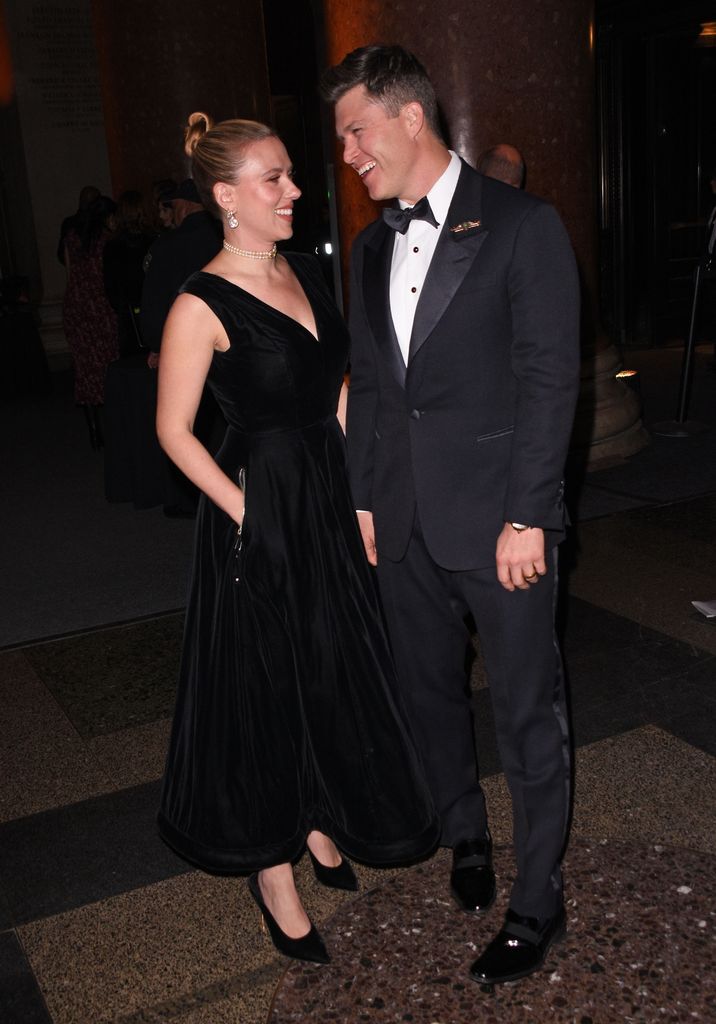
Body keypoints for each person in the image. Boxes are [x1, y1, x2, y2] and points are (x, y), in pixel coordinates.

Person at [321, 44, 580, 986]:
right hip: (402, 522)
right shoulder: (370, 243)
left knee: (527, 713)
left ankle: (538, 898)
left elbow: (552, 383)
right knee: (429, 696)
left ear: (409, 117)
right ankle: (465, 834)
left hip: (501, 527)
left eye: (357, 129)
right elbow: (379, 389)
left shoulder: (522, 226)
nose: (347, 151)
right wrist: (360, 496)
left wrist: (531, 517)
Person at [155, 112, 439, 965]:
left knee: (334, 661)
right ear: (226, 197)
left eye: (288, 174)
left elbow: (336, 390)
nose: (295, 190)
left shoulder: (303, 272)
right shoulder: (198, 302)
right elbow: (174, 433)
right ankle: (272, 870)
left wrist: (363, 496)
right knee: (268, 684)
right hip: (261, 505)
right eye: (273, 179)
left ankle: (318, 814)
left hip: (326, 493)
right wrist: (250, 514)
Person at [62, 194, 120, 448]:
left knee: (84, 367)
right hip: (99, 306)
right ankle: (115, 426)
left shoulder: (71, 238)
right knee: (108, 364)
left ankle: (94, 431)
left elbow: (68, 272)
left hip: (76, 305)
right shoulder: (107, 241)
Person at [102, 190, 156, 355]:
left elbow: (111, 287)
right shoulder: (155, 242)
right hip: (153, 310)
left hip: (128, 315)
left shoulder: (112, 247)